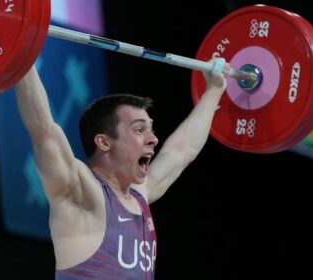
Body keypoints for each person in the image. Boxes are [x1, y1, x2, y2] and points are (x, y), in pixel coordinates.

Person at [15, 58, 229, 279]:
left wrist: (214, 91)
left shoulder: (140, 194)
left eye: (151, 130)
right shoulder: (80, 193)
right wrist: (22, 52)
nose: (153, 139)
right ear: (104, 142)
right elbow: (43, 129)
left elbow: (182, 150)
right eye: (139, 130)